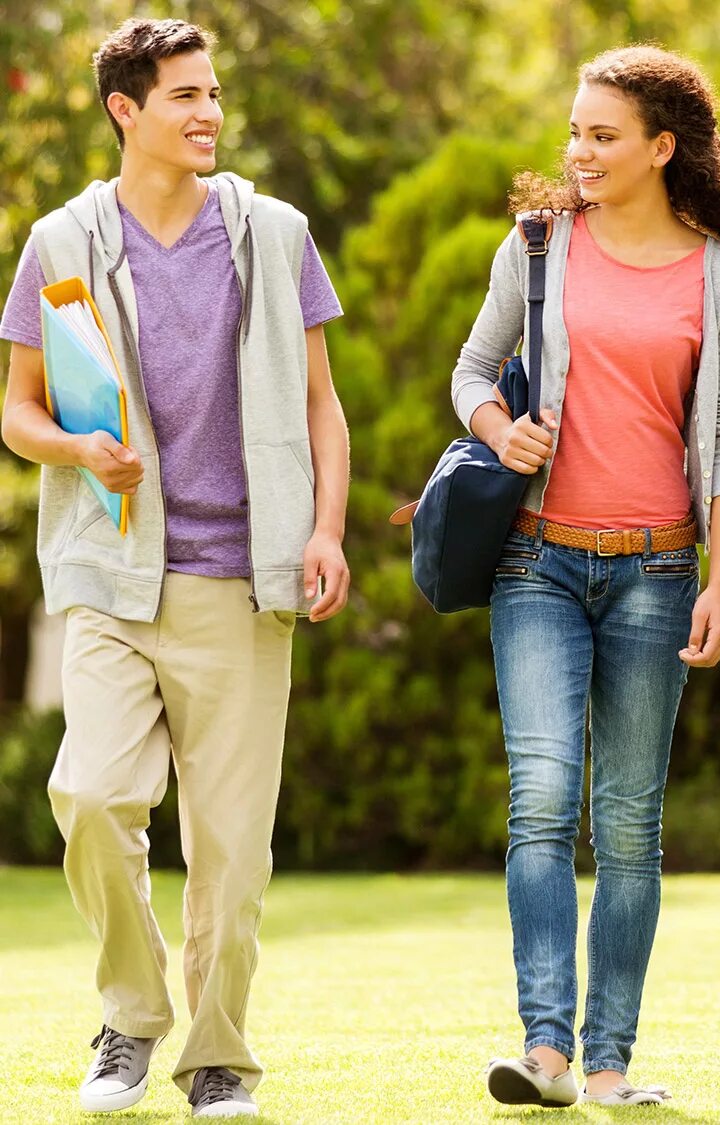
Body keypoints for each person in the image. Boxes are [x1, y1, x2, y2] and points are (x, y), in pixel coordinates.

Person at [0, 17, 350, 1119]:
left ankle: (217, 1058)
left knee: (232, 855)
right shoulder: (58, 245)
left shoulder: (276, 233)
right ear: (125, 111)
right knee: (92, 794)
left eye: (213, 94)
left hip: (241, 580)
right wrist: (72, 447)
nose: (209, 114)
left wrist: (328, 530)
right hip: (111, 573)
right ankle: (133, 1014)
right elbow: (18, 409)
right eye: (185, 96)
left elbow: (319, 405)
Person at [449, 45, 720, 1109]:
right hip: (535, 561)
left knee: (631, 821)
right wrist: (500, 428)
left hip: (656, 569)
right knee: (544, 800)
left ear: (661, 147)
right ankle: (544, 1052)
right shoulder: (539, 248)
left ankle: (609, 1065)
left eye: (604, 135)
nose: (580, 152)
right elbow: (469, 370)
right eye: (575, 132)